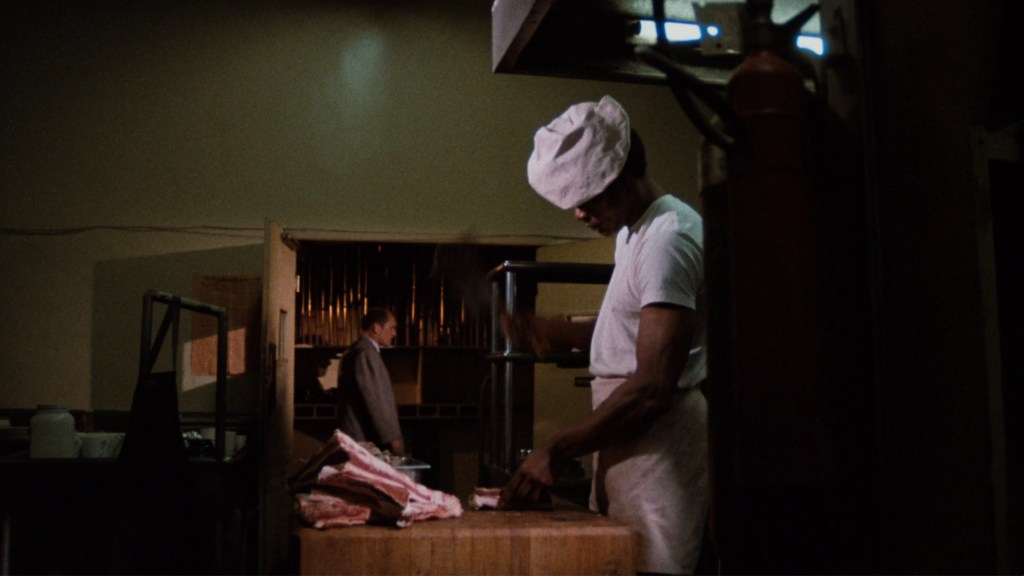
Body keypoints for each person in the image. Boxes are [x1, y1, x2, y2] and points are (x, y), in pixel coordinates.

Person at [500, 95, 708, 574]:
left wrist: (556, 448)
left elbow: (654, 385)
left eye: (584, 200)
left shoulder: (668, 240)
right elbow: (635, 328)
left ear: (618, 181)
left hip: (659, 451)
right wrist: (551, 331)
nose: (578, 214)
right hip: (628, 445)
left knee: (649, 567)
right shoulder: (633, 234)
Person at [337, 307, 405, 456]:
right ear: (376, 328)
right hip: (363, 437)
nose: (394, 333)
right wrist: (392, 437)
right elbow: (376, 399)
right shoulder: (366, 354)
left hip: (357, 435)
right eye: (392, 328)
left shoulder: (355, 350)